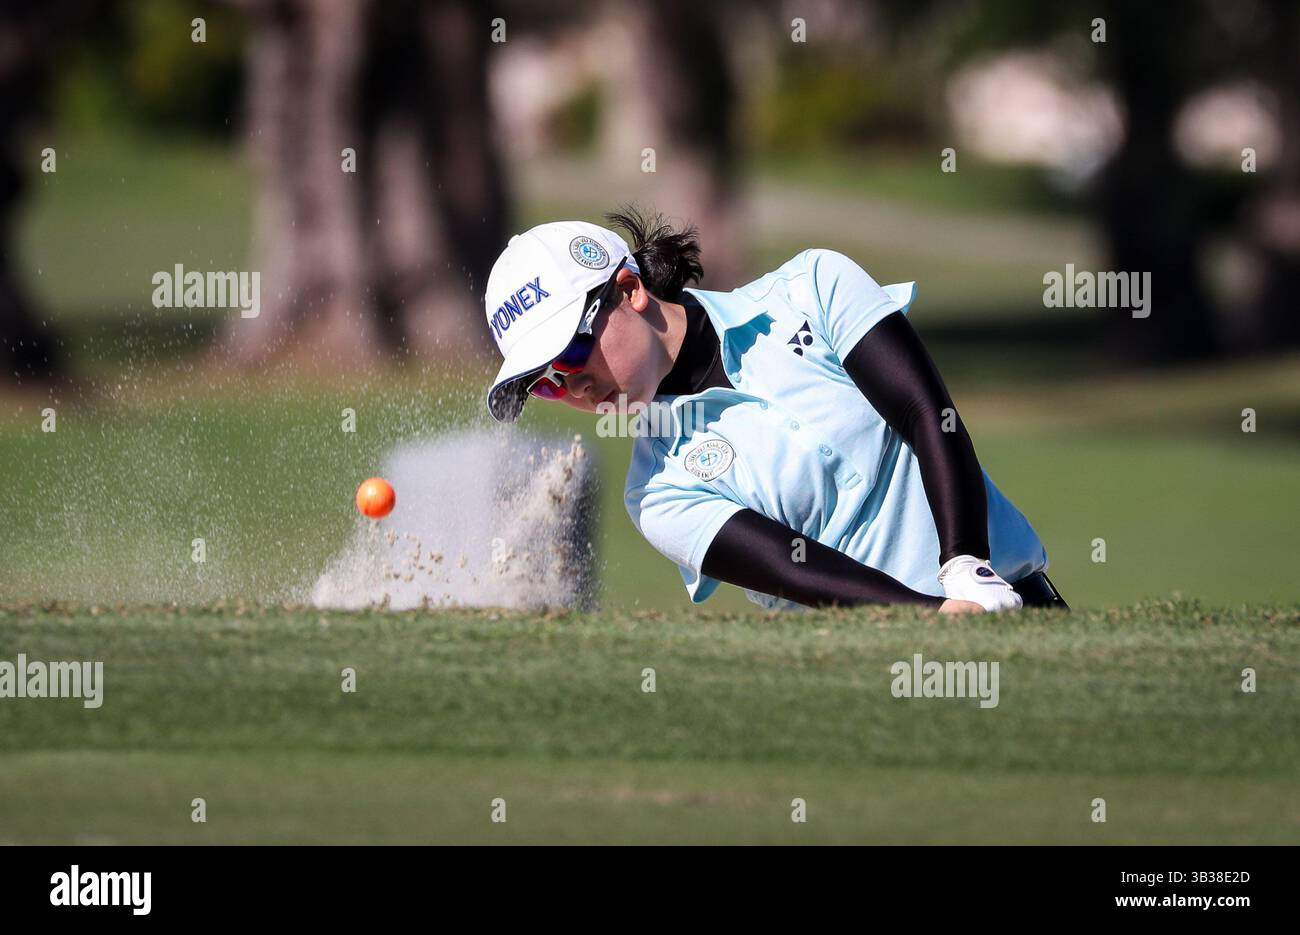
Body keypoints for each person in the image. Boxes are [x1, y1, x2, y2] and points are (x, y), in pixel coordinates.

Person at [484, 208, 1066, 614]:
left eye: (571, 353)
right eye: (547, 385)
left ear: (630, 288)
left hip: (1020, 599)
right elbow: (798, 572)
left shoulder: (813, 287)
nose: (575, 387)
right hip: (885, 676)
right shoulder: (657, 494)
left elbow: (925, 412)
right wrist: (940, 616)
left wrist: (968, 567)